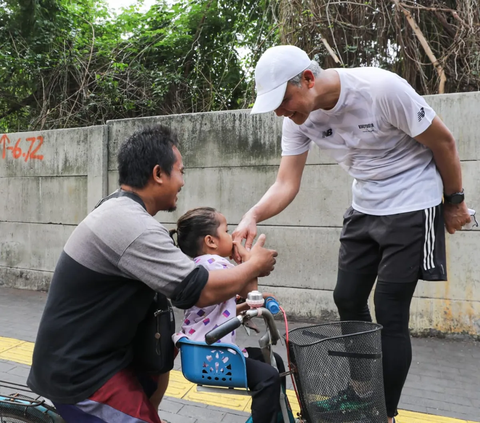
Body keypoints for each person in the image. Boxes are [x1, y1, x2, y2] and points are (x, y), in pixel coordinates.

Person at [232, 45, 471, 423]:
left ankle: (383, 413)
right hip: (365, 204)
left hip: (413, 201)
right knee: (347, 297)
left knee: (390, 311)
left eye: (282, 100)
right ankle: (361, 392)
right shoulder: (297, 118)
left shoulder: (380, 89)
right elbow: (286, 182)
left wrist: (454, 202)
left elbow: (444, 142)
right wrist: (253, 214)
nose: (280, 111)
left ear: (308, 79)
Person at [27, 125, 278, 423]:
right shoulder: (130, 224)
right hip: (85, 375)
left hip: (112, 360)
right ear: (158, 174)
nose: (183, 182)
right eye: (180, 172)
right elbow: (197, 290)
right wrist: (254, 265)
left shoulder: (120, 208)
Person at [170, 207, 286, 423]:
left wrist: (243, 307)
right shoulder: (216, 264)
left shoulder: (199, 266)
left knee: (274, 360)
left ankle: (275, 416)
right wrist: (250, 262)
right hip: (213, 356)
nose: (232, 237)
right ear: (211, 241)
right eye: (226, 231)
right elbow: (250, 294)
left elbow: (216, 310)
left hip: (204, 352)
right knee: (268, 378)